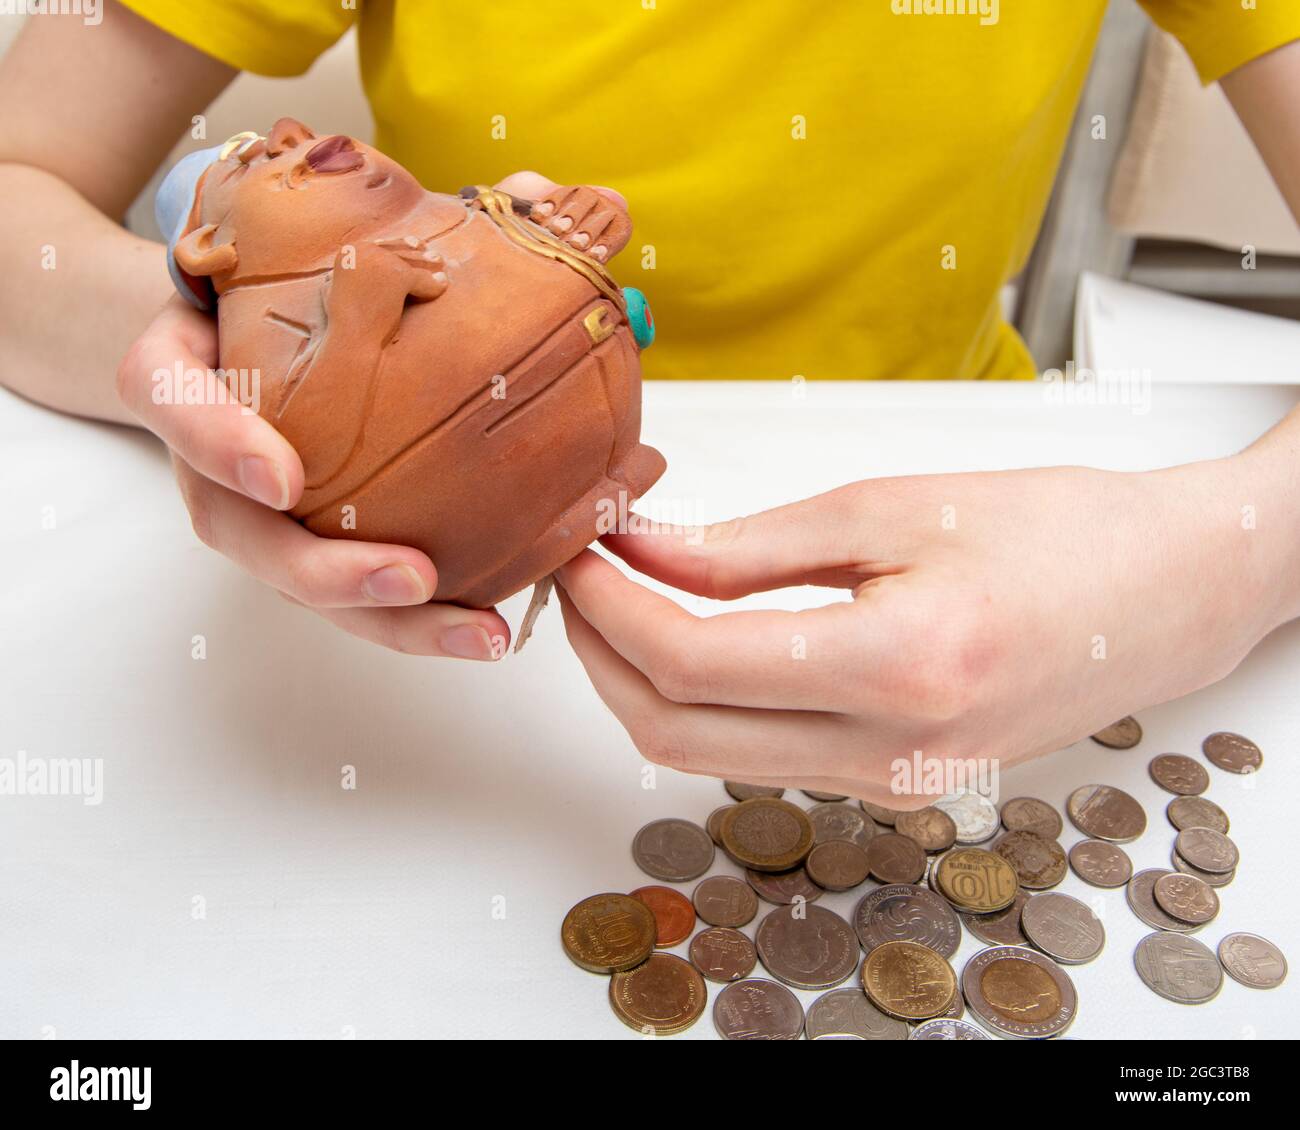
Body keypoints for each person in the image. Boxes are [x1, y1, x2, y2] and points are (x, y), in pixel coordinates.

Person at [1, 2, 1297, 804]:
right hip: (453, 654)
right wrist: (224, 374)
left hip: (978, 493)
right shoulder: (322, 280)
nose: (285, 142)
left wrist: (1226, 560)